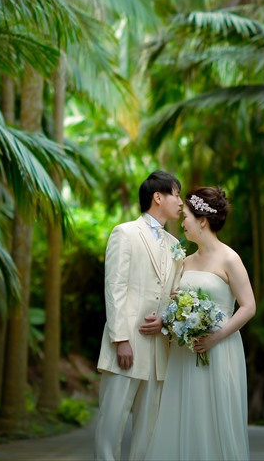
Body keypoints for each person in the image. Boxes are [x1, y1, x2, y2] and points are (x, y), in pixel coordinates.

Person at [147, 186, 256, 461]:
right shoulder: (185, 261)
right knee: (185, 414)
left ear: (202, 221)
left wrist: (216, 337)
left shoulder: (230, 258)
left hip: (220, 350)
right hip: (186, 353)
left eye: (186, 216)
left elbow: (248, 307)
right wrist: (173, 312)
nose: (182, 222)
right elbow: (175, 304)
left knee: (215, 415)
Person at [95, 171, 185, 461]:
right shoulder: (124, 232)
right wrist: (120, 339)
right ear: (158, 197)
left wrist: (167, 321)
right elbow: (115, 287)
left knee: (148, 431)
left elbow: (174, 295)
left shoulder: (175, 246)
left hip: (159, 351)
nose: (181, 202)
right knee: (112, 424)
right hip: (127, 345)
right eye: (177, 194)